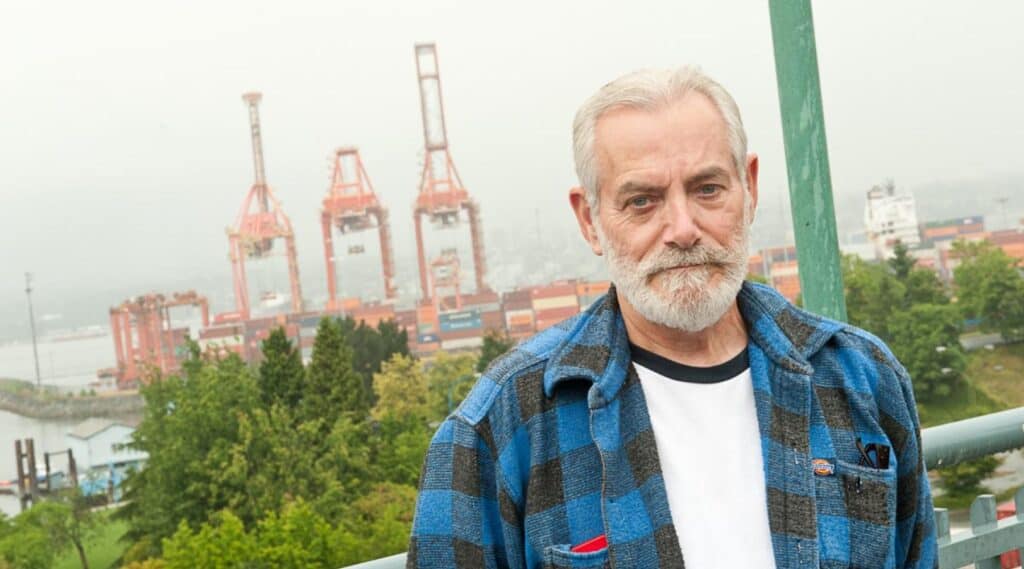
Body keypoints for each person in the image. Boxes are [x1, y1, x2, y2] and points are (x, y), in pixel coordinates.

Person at [407, 66, 937, 568]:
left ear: (749, 189)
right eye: (642, 201)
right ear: (589, 220)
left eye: (707, 189)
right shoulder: (504, 426)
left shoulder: (862, 378)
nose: (683, 228)